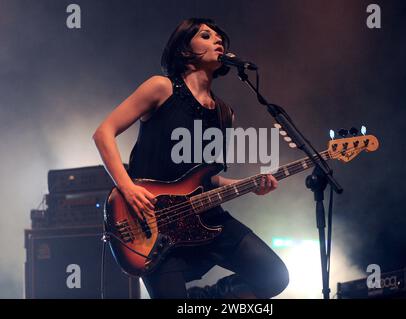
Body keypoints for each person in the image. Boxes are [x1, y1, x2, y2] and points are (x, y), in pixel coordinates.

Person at [92, 18, 289, 299]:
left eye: (220, 37)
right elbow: (103, 133)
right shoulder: (161, 88)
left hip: (205, 217)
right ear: (185, 50)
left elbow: (207, 176)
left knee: (274, 277)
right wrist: (127, 187)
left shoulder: (224, 113)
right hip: (152, 223)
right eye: (206, 36)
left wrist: (249, 184)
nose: (218, 40)